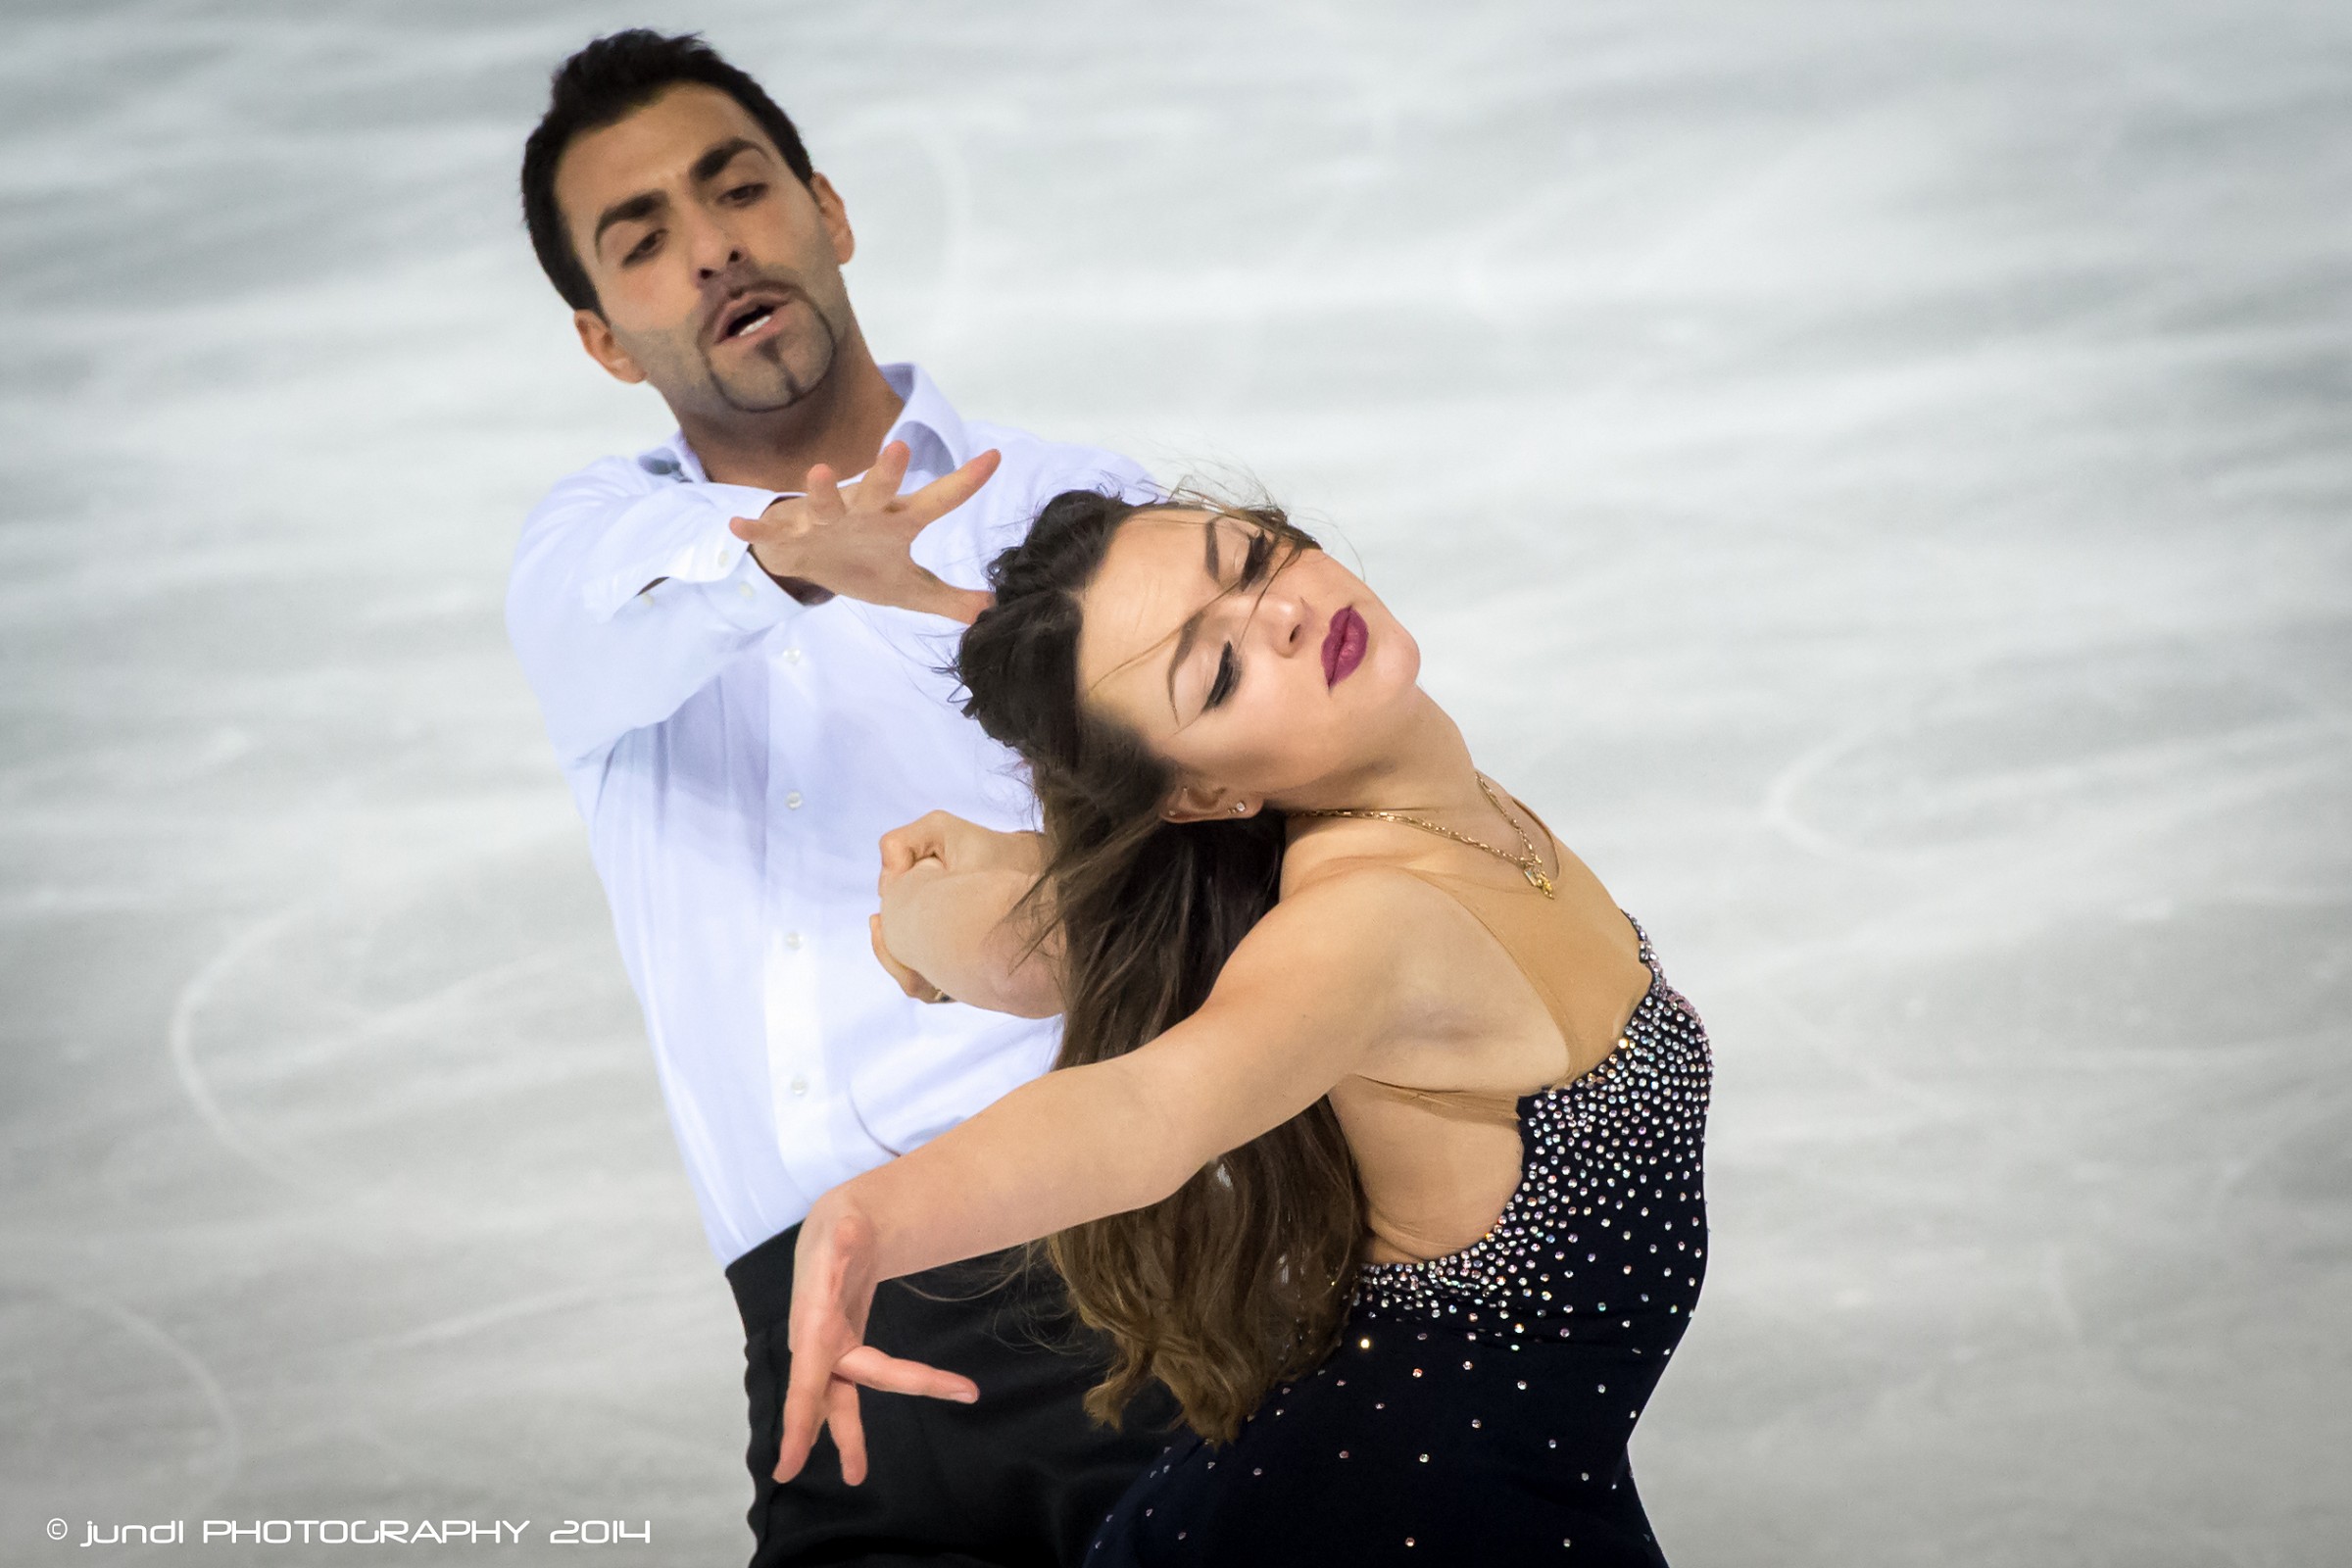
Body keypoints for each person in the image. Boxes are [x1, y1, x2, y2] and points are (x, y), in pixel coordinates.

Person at [503, 30, 1172, 1568]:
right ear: (607, 341)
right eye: (645, 239)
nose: (714, 244)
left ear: (829, 210)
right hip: (827, 1354)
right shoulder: (598, 558)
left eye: (738, 189)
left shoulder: (1072, 508)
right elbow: (630, 615)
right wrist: (788, 555)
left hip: (1141, 1262)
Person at [778, 492, 1714, 1564]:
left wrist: (939, 912)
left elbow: (1121, 699)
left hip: (1489, 1481)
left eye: (1255, 558)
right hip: (1388, 1521)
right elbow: (1152, 1107)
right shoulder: (1368, 928)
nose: (1283, 618)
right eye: (1219, 674)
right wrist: (870, 1219)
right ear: (1207, 791)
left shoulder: (1416, 807)